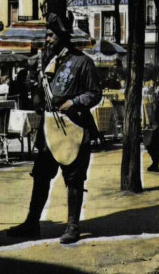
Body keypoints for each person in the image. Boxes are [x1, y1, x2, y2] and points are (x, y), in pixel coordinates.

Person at [7, 13, 102, 244]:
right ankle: (32, 223)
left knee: (74, 179)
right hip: (49, 129)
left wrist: (74, 102)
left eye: (50, 35)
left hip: (73, 127)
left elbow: (95, 93)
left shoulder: (83, 62)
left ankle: (73, 226)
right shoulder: (48, 63)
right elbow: (41, 98)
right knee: (40, 176)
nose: (47, 39)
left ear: (61, 36)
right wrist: (35, 91)